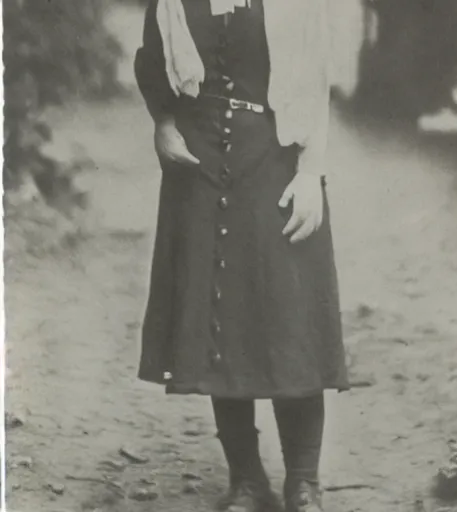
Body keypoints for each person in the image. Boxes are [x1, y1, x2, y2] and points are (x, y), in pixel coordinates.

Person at [134, 1, 349, 510]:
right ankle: (247, 479)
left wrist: (310, 173)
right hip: (201, 161)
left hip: (273, 156)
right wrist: (163, 124)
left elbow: (315, 77)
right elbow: (153, 61)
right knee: (219, 318)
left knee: (289, 319)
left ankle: (303, 481)